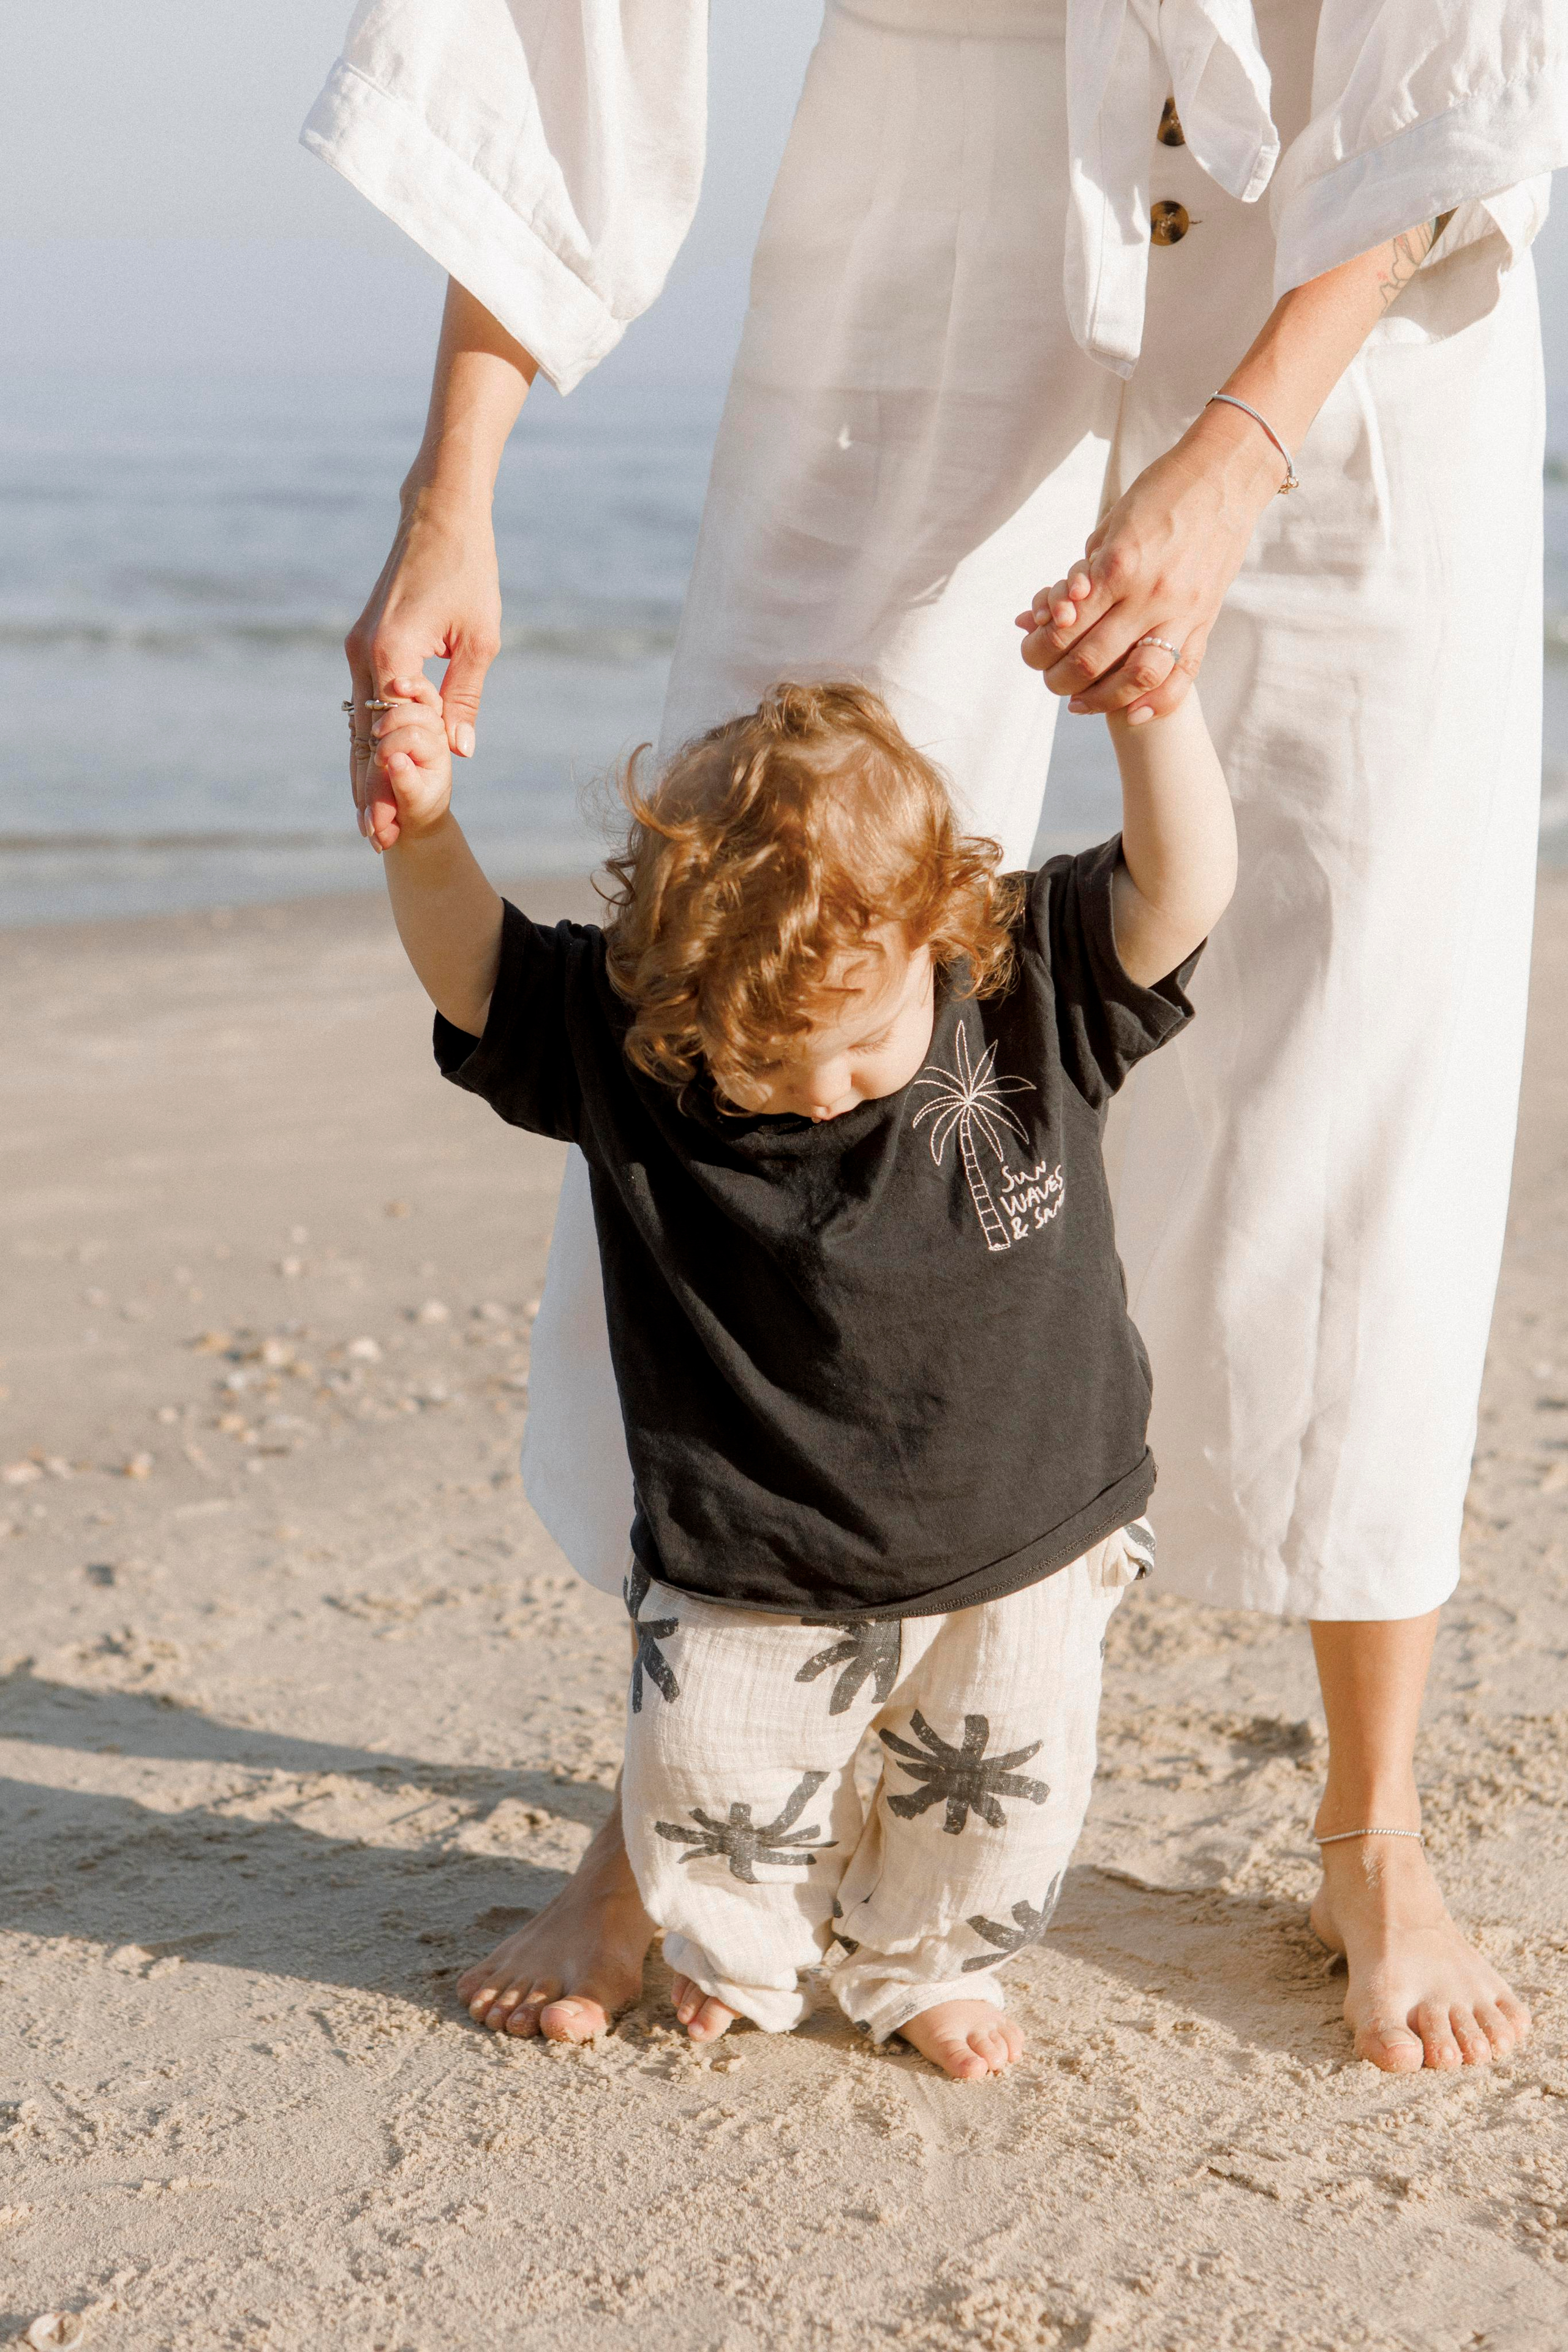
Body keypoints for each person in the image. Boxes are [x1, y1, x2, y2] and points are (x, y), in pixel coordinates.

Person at [305, 0, 1562, 2070]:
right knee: (743, 936)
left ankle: (1375, 1825)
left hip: (1352, 214)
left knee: (1364, 975)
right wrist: (457, 483)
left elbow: (1461, 52)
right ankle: (661, 1810)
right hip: (936, 149)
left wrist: (1245, 441)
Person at [364, 665, 1235, 2076]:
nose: (822, 1090)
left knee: (993, 1805)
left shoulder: (1021, 985)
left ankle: (927, 1966)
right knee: (710, 1776)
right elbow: (479, 974)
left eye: (865, 1042)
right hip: (751, 1548)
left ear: (936, 924)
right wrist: (423, 832)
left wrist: (1151, 709)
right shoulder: (639, 1050)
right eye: (764, 1061)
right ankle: (743, 1954)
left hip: (1027, 1523)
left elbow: (1182, 885)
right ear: (674, 989)